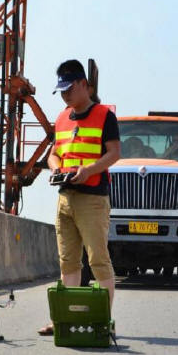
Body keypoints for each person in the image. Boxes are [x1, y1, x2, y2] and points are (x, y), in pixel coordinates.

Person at [38, 59, 121, 336]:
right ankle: (64, 319)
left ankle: (103, 319)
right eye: (61, 90)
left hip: (92, 198)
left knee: (97, 259)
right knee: (68, 261)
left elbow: (114, 153)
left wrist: (89, 170)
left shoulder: (104, 116)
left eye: (70, 89)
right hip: (65, 197)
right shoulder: (62, 117)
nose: (65, 95)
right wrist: (55, 169)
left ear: (85, 85)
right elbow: (54, 153)